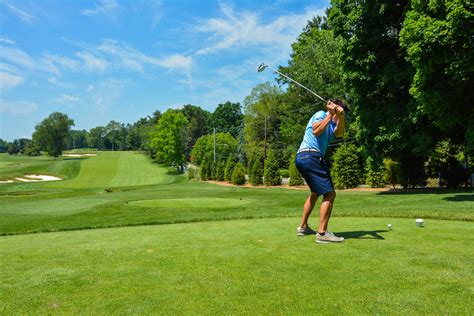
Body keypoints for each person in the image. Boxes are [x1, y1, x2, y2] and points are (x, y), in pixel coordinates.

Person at [294, 100, 348, 243]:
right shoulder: (321, 114)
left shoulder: (332, 125)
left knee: (315, 192)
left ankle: (303, 227)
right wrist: (331, 113)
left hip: (304, 158)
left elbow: (340, 133)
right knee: (330, 194)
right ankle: (322, 234)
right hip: (311, 156)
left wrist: (340, 116)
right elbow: (316, 131)